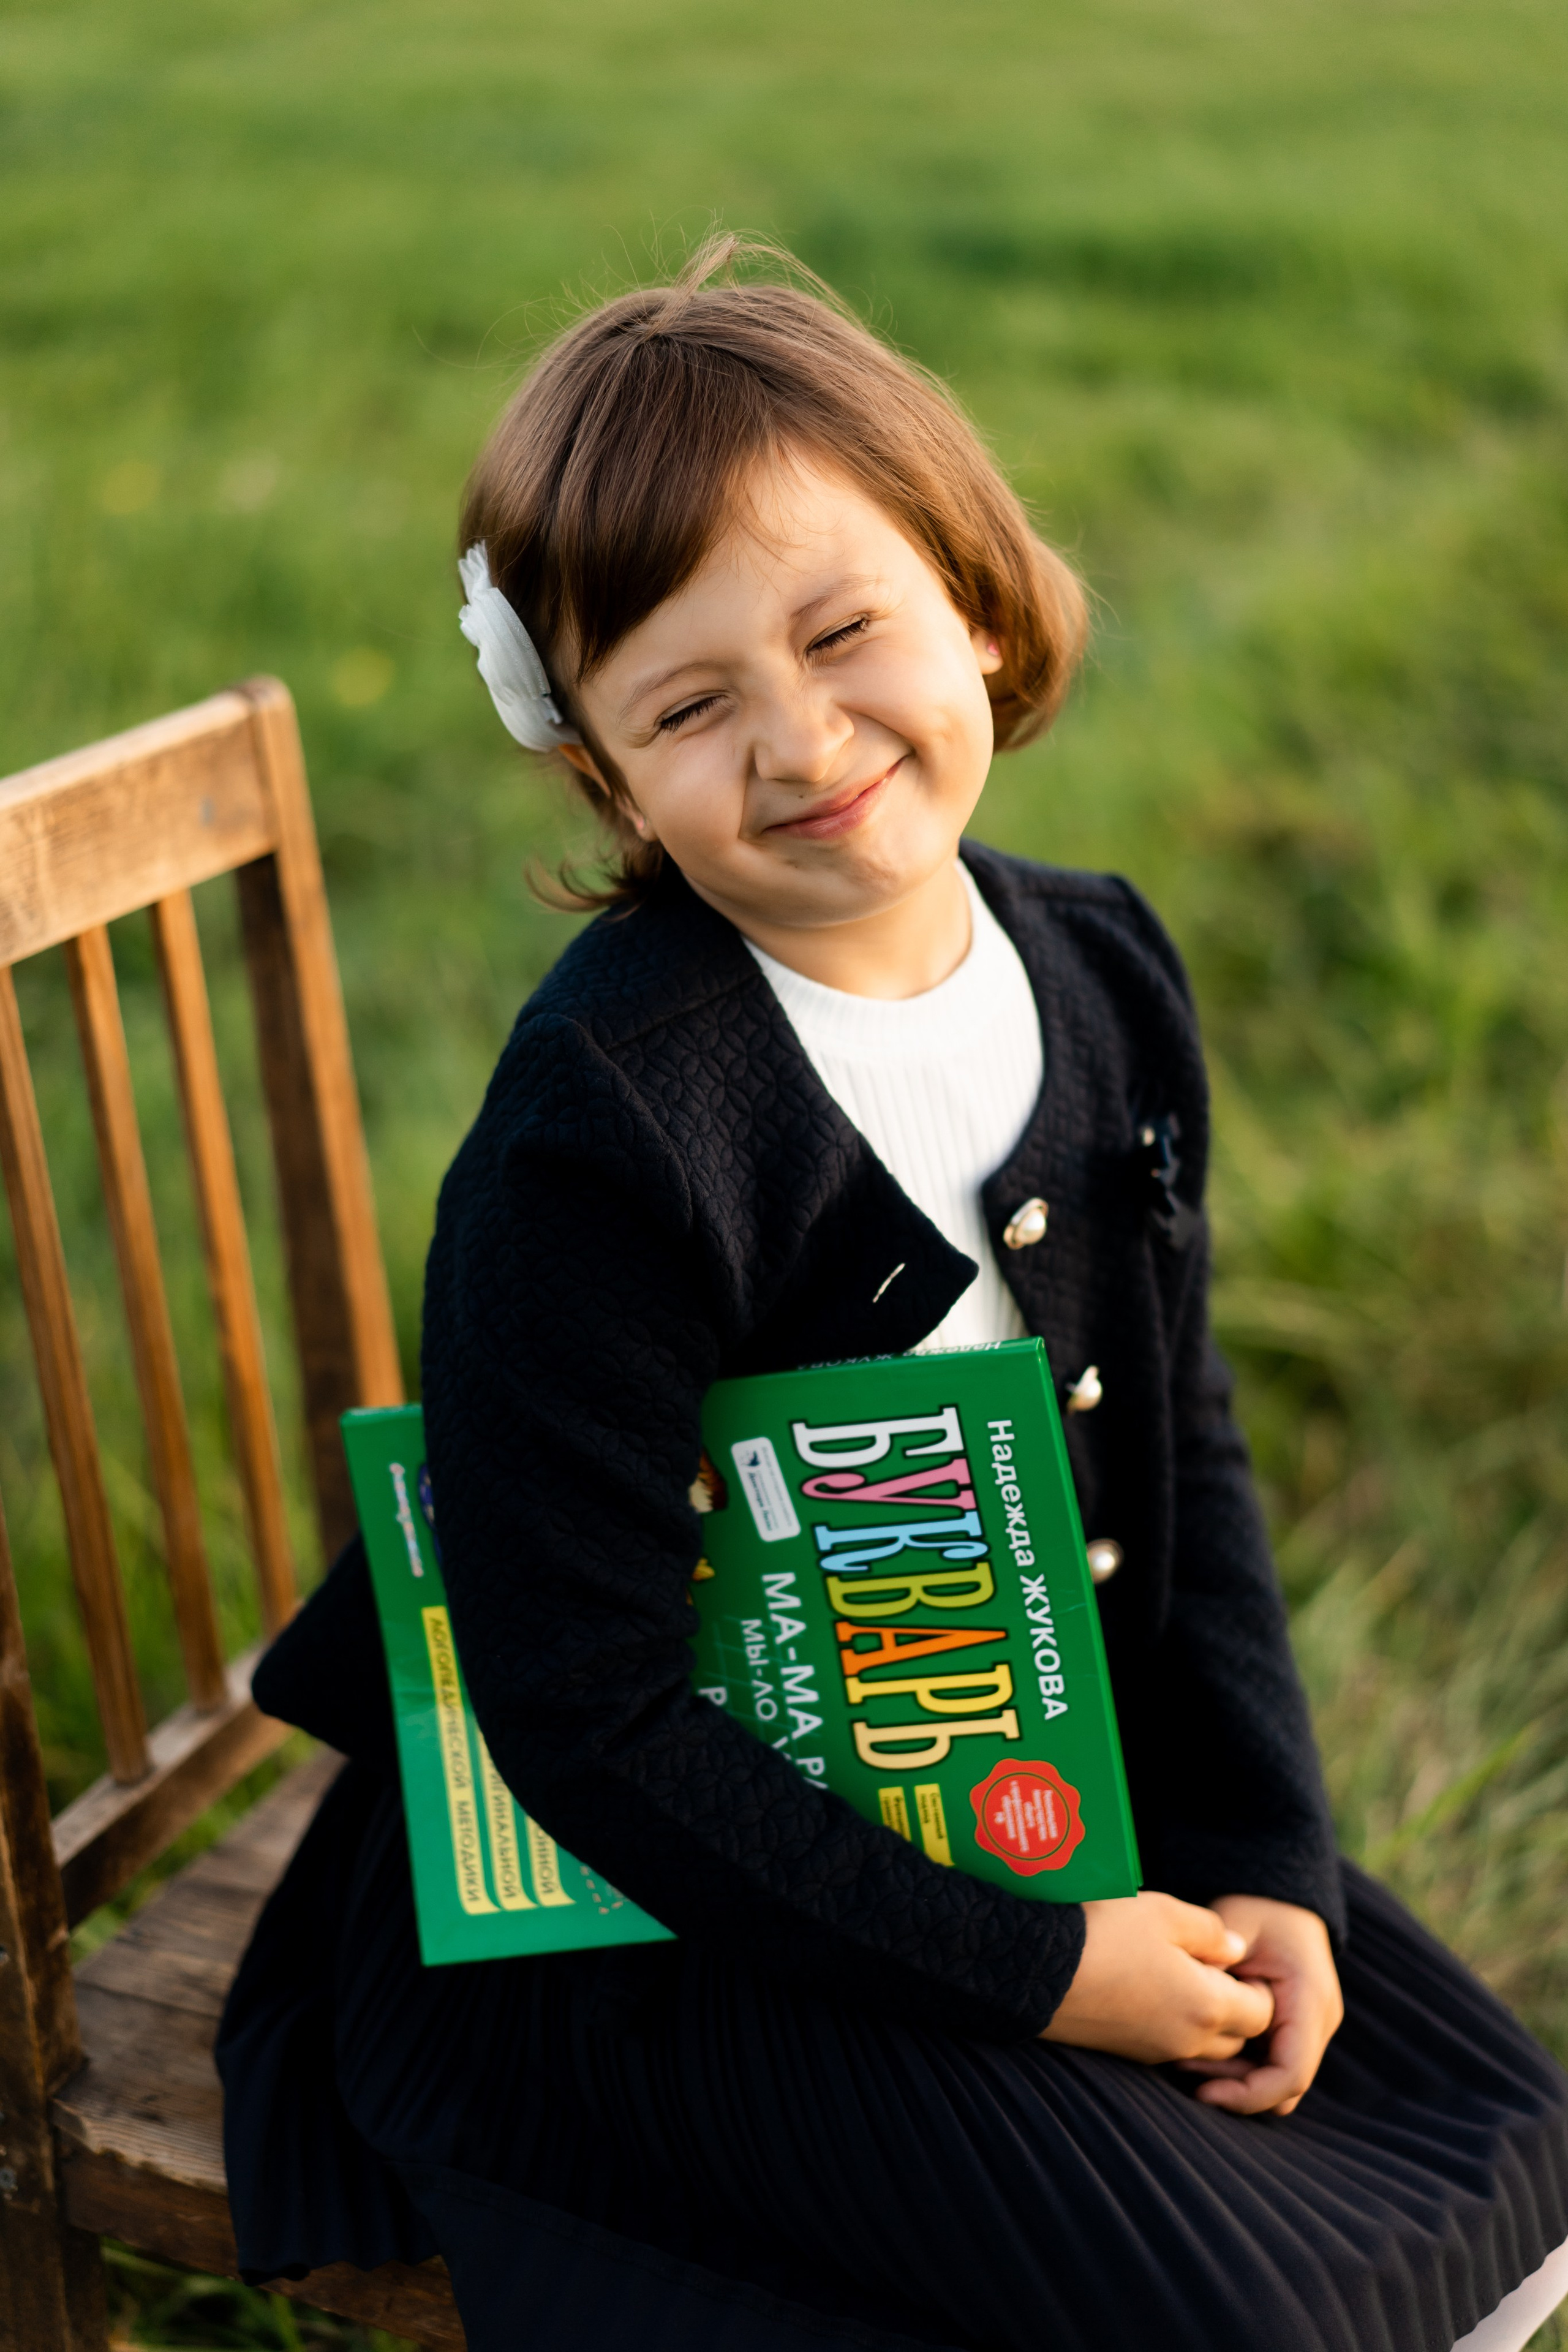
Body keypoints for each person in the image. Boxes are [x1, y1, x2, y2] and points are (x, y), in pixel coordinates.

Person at [217, 236, 1568, 2352]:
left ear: (975, 588)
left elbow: (1181, 1448)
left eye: (846, 630)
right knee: (1226, 2311)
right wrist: (1047, 1970)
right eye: (687, 705)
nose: (801, 740)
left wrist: (1269, 1855)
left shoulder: (1101, 972)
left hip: (990, 1759)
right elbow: (577, 1717)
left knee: (1486, 2141)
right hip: (637, 1886)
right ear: (601, 772)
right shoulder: (612, 1131)